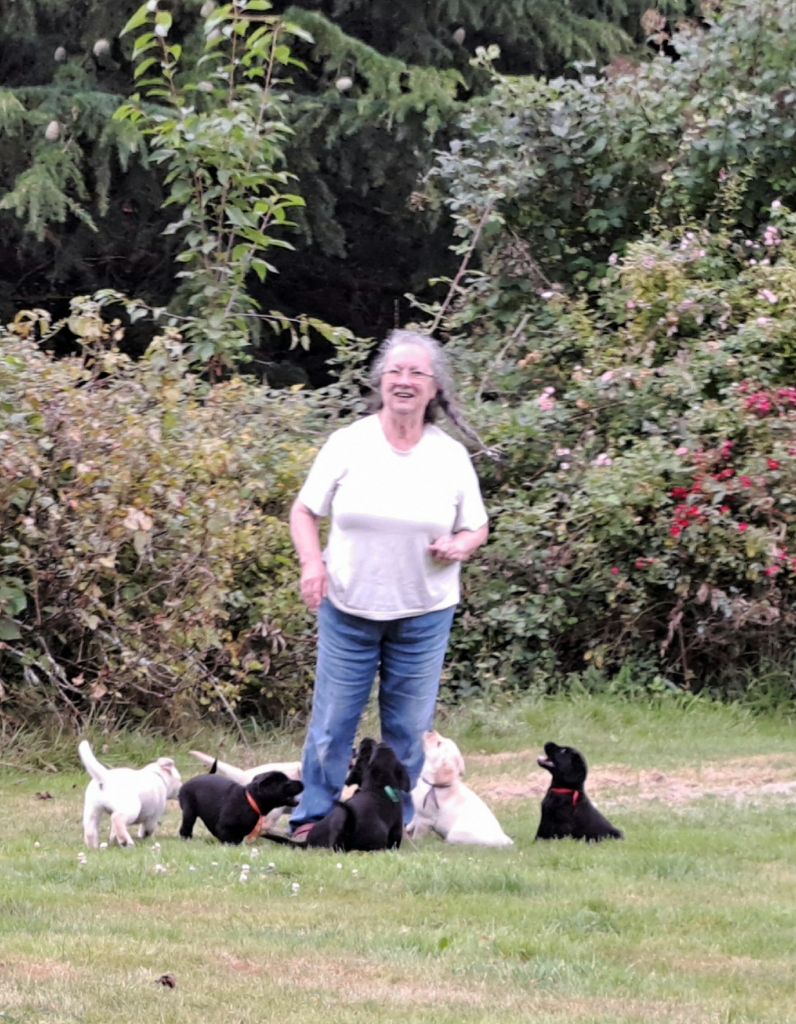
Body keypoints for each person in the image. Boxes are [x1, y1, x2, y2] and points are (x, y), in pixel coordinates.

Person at [285, 329, 489, 842]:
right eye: (395, 372)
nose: (404, 381)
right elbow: (305, 511)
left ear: (434, 388)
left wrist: (462, 545)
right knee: (332, 727)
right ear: (380, 381)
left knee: (406, 735)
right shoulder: (349, 443)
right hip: (349, 608)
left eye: (416, 373)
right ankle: (313, 818)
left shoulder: (449, 456)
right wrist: (313, 564)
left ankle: (394, 827)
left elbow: (477, 525)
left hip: (424, 613)